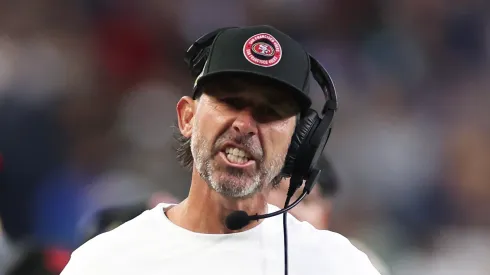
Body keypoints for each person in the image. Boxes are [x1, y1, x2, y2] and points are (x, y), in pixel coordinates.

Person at [61, 25, 380, 274]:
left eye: (270, 111)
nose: (244, 124)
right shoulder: (105, 263)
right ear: (187, 117)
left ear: (297, 142)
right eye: (229, 102)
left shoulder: (337, 266)